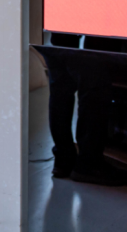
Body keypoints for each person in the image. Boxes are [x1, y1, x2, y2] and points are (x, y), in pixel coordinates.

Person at [44, 33, 127, 186]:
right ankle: (89, 163)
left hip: (60, 18)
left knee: (60, 81)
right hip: (100, 20)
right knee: (95, 77)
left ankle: (63, 159)